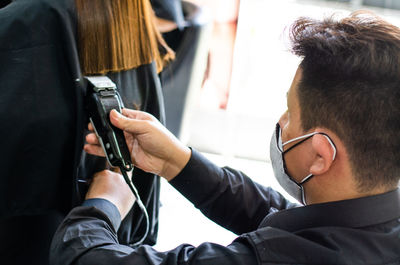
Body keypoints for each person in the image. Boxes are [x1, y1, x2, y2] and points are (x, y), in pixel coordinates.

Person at [50, 11, 400, 265]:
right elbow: (271, 213)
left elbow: (84, 259)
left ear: (321, 155)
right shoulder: (377, 224)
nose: (282, 123)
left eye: (291, 113)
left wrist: (103, 205)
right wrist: (176, 160)